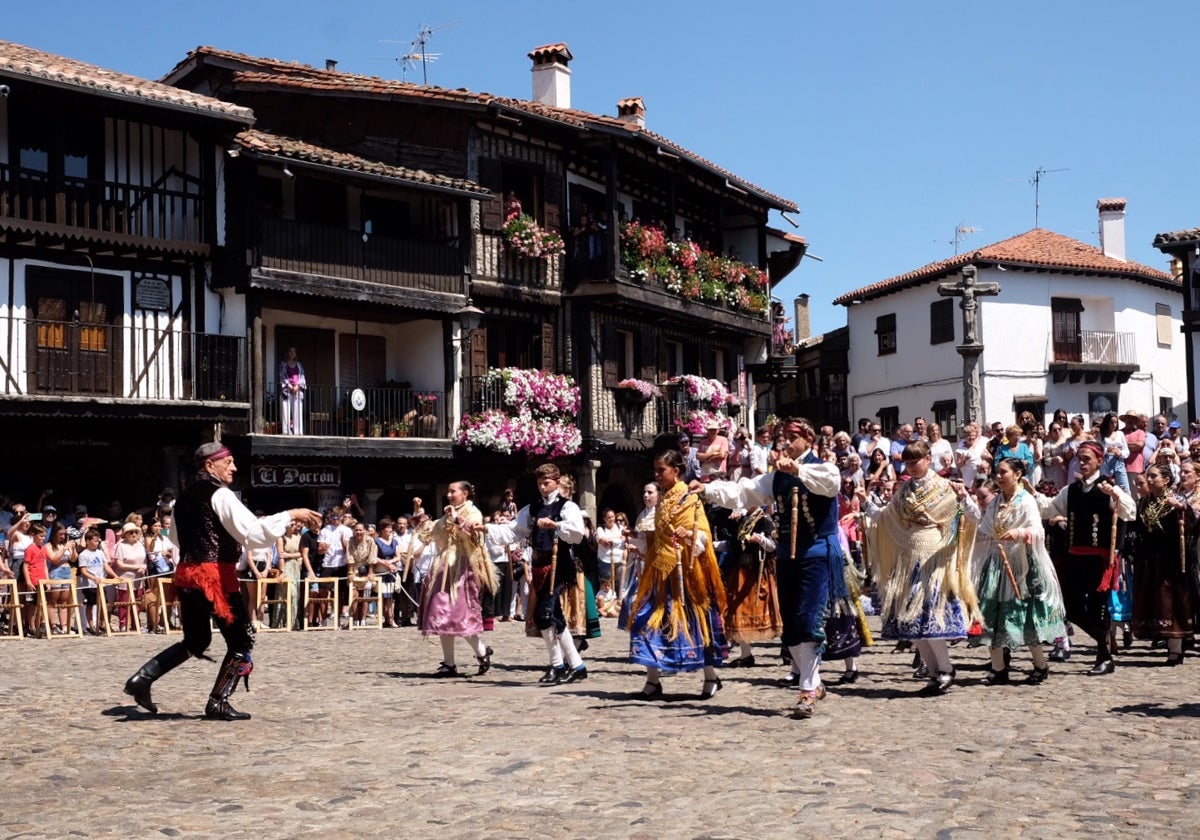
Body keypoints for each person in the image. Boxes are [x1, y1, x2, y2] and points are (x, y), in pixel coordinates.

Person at [123, 444, 320, 719]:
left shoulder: (183, 499)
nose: (234, 467)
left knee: (196, 639)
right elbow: (253, 534)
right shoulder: (221, 496)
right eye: (228, 462)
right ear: (209, 465)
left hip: (187, 575)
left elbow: (177, 539)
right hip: (213, 578)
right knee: (242, 641)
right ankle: (218, 701)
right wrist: (292, 513)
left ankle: (143, 678)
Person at [699, 416, 841, 717]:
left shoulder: (821, 467)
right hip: (787, 556)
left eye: (792, 437)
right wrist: (708, 490)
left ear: (808, 440)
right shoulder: (776, 476)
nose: (786, 443)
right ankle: (813, 682)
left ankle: (806, 690)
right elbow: (743, 492)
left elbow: (831, 484)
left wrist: (799, 469)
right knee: (790, 625)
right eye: (782, 438)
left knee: (809, 621)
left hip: (817, 553)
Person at [862, 440, 979, 695]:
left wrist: (964, 499)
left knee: (930, 619)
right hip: (909, 558)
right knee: (912, 623)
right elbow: (886, 516)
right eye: (908, 462)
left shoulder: (946, 488)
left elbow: (973, 517)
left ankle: (946, 669)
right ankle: (935, 672)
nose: (911, 467)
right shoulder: (904, 491)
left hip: (934, 559)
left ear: (928, 458)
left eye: (916, 461)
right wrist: (867, 504)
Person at [1032, 441, 1135, 676]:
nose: (1082, 462)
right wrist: (1032, 494)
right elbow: (1050, 509)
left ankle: (1104, 656)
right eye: (1079, 458)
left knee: (1099, 606)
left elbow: (1130, 511)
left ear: (1099, 460)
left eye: (1087, 458)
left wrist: (1115, 496)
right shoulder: (1071, 490)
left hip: (1099, 558)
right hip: (1074, 556)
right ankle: (1102, 639)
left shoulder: (1107, 487)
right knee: (1067, 606)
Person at [632, 450, 727, 700]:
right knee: (649, 622)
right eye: (655, 471)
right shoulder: (663, 501)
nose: (657, 475)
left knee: (697, 623)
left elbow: (703, 534)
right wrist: (642, 541)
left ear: (675, 471)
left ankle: (710, 676)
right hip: (661, 573)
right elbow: (660, 536)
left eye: (661, 471)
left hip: (686, 573)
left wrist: (691, 537)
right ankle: (653, 681)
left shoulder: (690, 499)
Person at [487, 464, 589, 684]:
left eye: (547, 483)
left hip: (559, 566)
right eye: (540, 483)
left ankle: (557, 665)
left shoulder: (566, 506)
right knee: (555, 616)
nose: (543, 487)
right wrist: (486, 529)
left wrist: (556, 525)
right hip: (539, 565)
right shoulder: (532, 508)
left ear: (556, 481)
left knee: (543, 615)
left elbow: (578, 533)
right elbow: (513, 530)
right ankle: (576, 666)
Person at [968, 458, 1066, 684]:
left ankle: (1040, 665)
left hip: (1021, 566)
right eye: (997, 473)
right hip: (996, 564)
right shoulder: (996, 501)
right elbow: (985, 528)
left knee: (1023, 614)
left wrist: (1020, 533)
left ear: (1018, 474)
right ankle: (998, 667)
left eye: (1003, 472)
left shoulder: (1026, 500)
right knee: (990, 612)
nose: (998, 477)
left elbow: (1038, 531)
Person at [418, 481, 497, 677]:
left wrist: (456, 519)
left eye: (453, 491)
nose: (449, 495)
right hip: (444, 569)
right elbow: (432, 532)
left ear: (465, 493)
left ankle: (481, 652)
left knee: (461, 616)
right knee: (441, 612)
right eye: (448, 492)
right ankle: (449, 663)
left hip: (463, 569)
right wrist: (420, 515)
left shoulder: (473, 512)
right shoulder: (447, 513)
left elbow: (472, 536)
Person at [1129, 463, 1199, 665]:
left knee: (1171, 601)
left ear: (1166, 480)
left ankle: (1176, 649)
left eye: (1154, 477)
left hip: (1171, 560)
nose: (1149, 480)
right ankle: (1164, 640)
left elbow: (1192, 526)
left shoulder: (1176, 501)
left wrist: (1182, 510)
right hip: (1150, 560)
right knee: (1157, 601)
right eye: (1148, 477)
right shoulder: (1142, 503)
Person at [719, 506, 781, 668]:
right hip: (740, 571)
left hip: (756, 573)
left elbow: (773, 546)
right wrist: (712, 544)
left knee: (765, 610)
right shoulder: (742, 520)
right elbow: (733, 543)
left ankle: (790, 651)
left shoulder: (764, 520)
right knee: (735, 611)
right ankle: (746, 654)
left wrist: (760, 540)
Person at [1096, 413, 1130, 492]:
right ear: (1107, 423)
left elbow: (1126, 451)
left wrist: (1120, 453)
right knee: (1106, 485)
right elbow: (1097, 449)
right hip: (1106, 461)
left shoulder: (1120, 434)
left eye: (1115, 422)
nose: (1114, 425)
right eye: (1111, 422)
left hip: (1118, 460)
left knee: (1124, 486)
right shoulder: (1101, 435)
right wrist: (1107, 450)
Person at [278, 347, 307, 435]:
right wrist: (290, 386)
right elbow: (282, 376)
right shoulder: (283, 364)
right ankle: (286, 432)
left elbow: (302, 377)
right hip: (287, 390)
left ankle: (297, 431)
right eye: (290, 351)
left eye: (294, 351)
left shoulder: (299, 365)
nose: (292, 353)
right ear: (288, 353)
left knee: (297, 412)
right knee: (285, 412)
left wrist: (297, 386)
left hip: (297, 391)